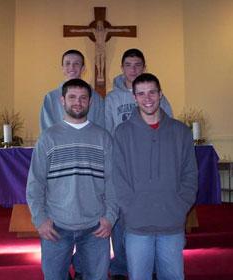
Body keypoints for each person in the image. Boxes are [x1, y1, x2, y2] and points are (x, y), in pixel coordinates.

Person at [27, 79, 118, 280]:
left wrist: (110, 217)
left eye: (83, 97)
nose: (78, 102)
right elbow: (35, 183)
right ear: (62, 100)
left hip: (96, 227)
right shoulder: (48, 138)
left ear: (90, 102)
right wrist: (40, 220)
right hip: (56, 226)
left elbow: (114, 183)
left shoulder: (103, 137)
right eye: (72, 97)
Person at [113, 73, 198, 280]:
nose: (147, 98)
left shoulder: (180, 132)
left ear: (160, 94)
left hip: (172, 222)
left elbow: (190, 175)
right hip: (137, 224)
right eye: (141, 94)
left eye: (152, 92)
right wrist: (130, 209)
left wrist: (180, 206)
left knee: (173, 276)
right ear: (134, 97)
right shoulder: (122, 132)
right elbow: (118, 177)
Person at [105, 48, 173, 279]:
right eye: (128, 65)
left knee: (150, 219)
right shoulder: (112, 98)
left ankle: (151, 266)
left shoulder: (157, 96)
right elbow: (107, 131)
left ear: (144, 67)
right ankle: (121, 266)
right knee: (121, 218)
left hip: (152, 167)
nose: (133, 69)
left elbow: (169, 131)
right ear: (122, 68)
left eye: (137, 65)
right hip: (123, 165)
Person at [40, 49, 104, 132]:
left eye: (76, 63)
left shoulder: (96, 97)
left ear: (83, 68)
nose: (72, 67)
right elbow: (47, 131)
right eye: (67, 63)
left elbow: (100, 128)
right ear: (62, 68)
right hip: (59, 144)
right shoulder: (50, 98)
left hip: (89, 143)